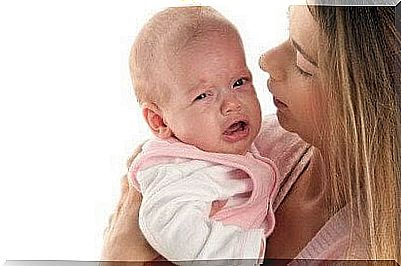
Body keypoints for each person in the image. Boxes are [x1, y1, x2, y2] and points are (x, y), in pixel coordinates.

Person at [101, 2, 401, 264]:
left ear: (371, 102)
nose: (265, 61)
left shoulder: (369, 247)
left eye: (302, 63)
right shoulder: (252, 142)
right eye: (288, 34)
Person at [124, 6, 280, 264]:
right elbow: (164, 219)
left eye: (239, 82)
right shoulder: (178, 169)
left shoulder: (225, 148)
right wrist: (241, 253)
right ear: (160, 120)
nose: (231, 104)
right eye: (203, 95)